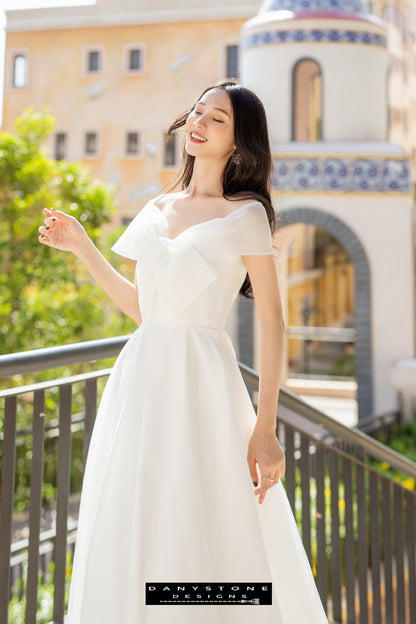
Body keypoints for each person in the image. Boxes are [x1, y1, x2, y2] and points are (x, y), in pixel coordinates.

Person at [39, 79, 328, 623]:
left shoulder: (245, 214)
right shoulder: (157, 207)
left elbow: (272, 322)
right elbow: (146, 311)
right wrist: (83, 247)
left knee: (206, 519)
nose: (199, 122)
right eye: (198, 112)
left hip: (204, 384)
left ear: (239, 143)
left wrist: (265, 427)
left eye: (217, 119)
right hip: (142, 381)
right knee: (139, 514)